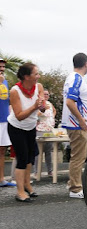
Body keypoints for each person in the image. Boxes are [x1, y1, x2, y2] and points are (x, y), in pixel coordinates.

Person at [7, 63, 45, 202]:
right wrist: (35, 106)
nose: (38, 76)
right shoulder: (15, 91)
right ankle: (20, 192)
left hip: (30, 126)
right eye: (36, 74)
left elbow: (43, 107)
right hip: (16, 127)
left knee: (30, 157)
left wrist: (42, 105)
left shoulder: (38, 87)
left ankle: (27, 185)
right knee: (22, 158)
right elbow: (19, 115)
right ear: (26, 76)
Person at [61, 53, 87, 199]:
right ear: (86, 63)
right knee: (78, 157)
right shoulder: (77, 79)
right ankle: (75, 188)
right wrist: (81, 120)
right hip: (76, 124)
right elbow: (70, 102)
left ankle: (72, 182)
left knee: (77, 155)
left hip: (72, 122)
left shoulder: (70, 78)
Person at [0, 58, 16, 187]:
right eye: (0, 66)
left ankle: (1, 179)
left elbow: (6, 99)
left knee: (2, 150)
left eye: (3, 66)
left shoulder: (4, 81)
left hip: (4, 119)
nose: (2, 68)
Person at [34, 88, 56, 178]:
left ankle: (50, 171)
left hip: (49, 129)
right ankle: (36, 172)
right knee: (38, 152)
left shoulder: (50, 104)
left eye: (48, 94)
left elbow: (54, 110)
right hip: (40, 129)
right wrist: (42, 112)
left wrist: (53, 117)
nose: (46, 96)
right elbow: (35, 115)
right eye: (45, 94)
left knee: (48, 151)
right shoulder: (39, 103)